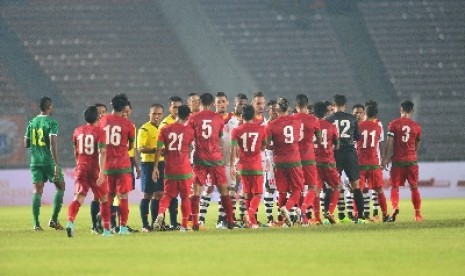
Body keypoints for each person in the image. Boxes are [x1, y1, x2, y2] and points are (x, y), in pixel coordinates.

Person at [188, 92, 237, 230]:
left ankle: (196, 223)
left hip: (200, 158)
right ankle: (231, 221)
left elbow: (189, 138)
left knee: (197, 191)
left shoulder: (193, 118)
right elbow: (220, 138)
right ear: (212, 103)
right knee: (224, 191)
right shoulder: (218, 118)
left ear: (199, 103)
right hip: (216, 159)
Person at [66, 106, 111, 237]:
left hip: (81, 166)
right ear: (98, 117)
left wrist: (79, 164)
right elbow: (102, 152)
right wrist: (102, 172)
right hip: (95, 168)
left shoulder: (77, 131)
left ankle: (70, 222)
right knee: (104, 199)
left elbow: (76, 151)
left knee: (78, 197)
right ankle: (106, 231)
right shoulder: (100, 132)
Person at [25, 96, 66, 231]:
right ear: (49, 107)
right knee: (61, 186)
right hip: (48, 161)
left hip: (35, 161)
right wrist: (56, 163)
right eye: (52, 106)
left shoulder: (32, 122)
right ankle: (53, 220)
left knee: (37, 191)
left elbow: (26, 143)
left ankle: (36, 224)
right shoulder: (51, 122)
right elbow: (52, 143)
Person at [152, 105, 195, 232]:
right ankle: (184, 225)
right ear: (188, 116)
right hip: (184, 168)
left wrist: (155, 167)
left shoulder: (164, 129)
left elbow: (159, 149)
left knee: (168, 195)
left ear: (176, 114)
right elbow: (190, 147)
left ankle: (160, 213)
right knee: (185, 197)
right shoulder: (189, 131)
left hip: (169, 168)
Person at [326, 94, 366, 223]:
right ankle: (360, 217)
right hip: (349, 153)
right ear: (345, 105)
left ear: (334, 104)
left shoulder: (329, 119)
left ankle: (328, 216)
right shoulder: (351, 118)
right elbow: (357, 137)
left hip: (335, 153)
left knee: (332, 186)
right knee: (356, 185)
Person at [99, 93, 135, 234]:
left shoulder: (103, 120)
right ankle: (123, 228)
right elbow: (131, 145)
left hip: (107, 165)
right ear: (125, 106)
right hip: (122, 165)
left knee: (108, 197)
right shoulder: (128, 124)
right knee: (123, 197)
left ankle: (106, 229)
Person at [381, 100, 422, 222]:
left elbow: (389, 141)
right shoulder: (417, 127)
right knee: (414, 187)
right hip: (411, 161)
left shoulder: (394, 124)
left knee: (395, 187)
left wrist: (385, 158)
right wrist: (413, 154)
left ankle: (395, 208)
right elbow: (417, 144)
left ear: (401, 110)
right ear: (412, 111)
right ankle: (417, 215)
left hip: (398, 160)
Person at [266, 97, 304, 227]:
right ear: (288, 108)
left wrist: (275, 147)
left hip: (279, 161)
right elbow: (298, 138)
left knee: (282, 191)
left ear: (276, 109)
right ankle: (287, 208)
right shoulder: (296, 120)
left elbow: (267, 144)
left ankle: (283, 221)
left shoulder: (271, 125)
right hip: (294, 159)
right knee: (297, 189)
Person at [230, 105, 267, 229]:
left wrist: (232, 165)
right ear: (254, 116)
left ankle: (252, 222)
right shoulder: (262, 129)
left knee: (247, 193)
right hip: (256, 165)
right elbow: (263, 147)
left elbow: (233, 149)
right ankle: (249, 214)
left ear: (241, 116)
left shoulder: (236, 130)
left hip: (243, 166)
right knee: (257, 194)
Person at [357, 104, 389, 222]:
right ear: (376, 115)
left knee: (358, 190)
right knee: (379, 190)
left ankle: (358, 215)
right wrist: (383, 159)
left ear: (365, 113)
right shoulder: (378, 127)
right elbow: (380, 143)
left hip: (360, 162)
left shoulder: (358, 126)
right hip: (374, 162)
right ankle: (385, 214)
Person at [294, 94, 321, 226]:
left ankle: (301, 216)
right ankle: (304, 210)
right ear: (307, 105)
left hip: (294, 158)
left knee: (298, 188)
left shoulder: (291, 119)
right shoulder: (313, 119)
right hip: (309, 156)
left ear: (296, 105)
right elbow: (320, 140)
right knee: (313, 187)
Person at [137, 103, 164, 232]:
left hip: (162, 163)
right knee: (148, 194)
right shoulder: (144, 129)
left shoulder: (164, 128)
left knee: (159, 194)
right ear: (149, 114)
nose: (156, 116)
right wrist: (155, 150)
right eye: (154, 114)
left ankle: (155, 223)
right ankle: (144, 224)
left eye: (159, 114)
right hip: (148, 164)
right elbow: (140, 148)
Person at [313, 101, 340, 224]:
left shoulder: (312, 125)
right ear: (325, 112)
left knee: (316, 191)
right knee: (337, 186)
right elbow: (337, 145)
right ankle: (330, 211)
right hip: (328, 161)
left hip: (314, 162)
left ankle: (317, 218)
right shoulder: (331, 126)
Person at [158, 96, 183, 229]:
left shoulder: (184, 122)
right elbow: (161, 148)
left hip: (180, 163)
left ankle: (173, 222)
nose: (177, 110)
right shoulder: (165, 124)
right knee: (169, 193)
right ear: (169, 108)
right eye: (174, 107)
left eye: (179, 107)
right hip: (167, 163)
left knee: (173, 194)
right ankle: (170, 222)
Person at [90, 103, 108, 234]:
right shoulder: (94, 129)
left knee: (110, 195)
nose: (101, 114)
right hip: (98, 165)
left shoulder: (108, 127)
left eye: (103, 112)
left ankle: (108, 224)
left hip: (111, 164)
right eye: (99, 112)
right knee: (99, 196)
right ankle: (95, 225)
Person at [263, 99, 278, 226]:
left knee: (283, 188)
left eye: (276, 108)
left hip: (283, 159)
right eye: (272, 108)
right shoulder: (265, 125)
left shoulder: (283, 124)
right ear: (268, 110)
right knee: (269, 187)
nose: (274, 111)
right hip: (270, 159)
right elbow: (264, 144)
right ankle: (269, 218)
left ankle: (280, 217)